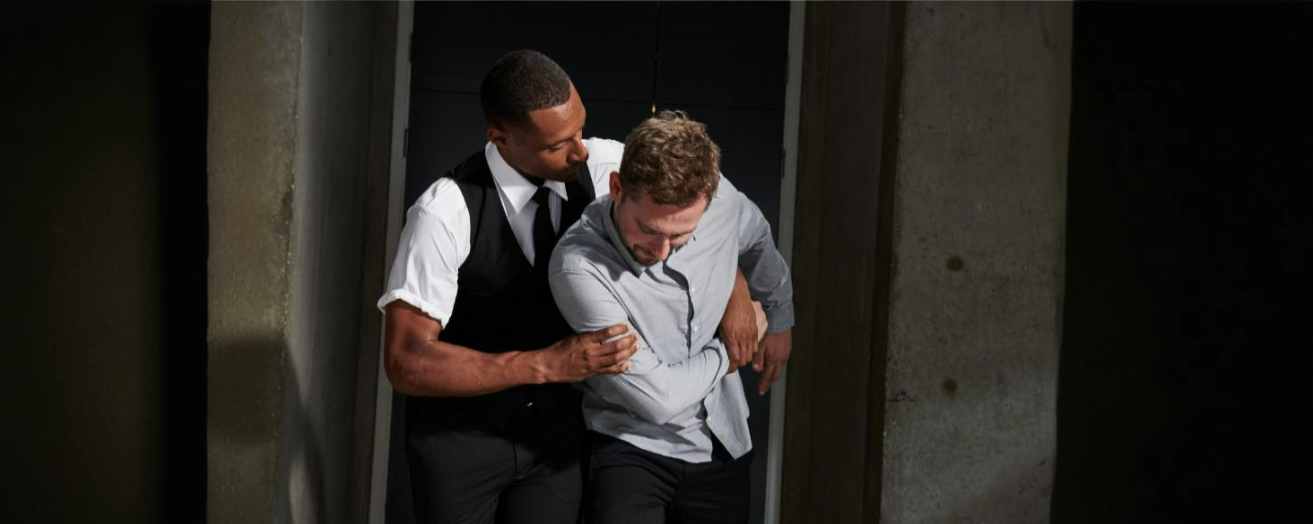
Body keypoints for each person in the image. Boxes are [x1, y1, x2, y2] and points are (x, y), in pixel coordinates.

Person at [377, 50, 761, 524]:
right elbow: (406, 361)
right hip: (460, 444)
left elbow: (707, 210)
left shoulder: (603, 164)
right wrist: (544, 364)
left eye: (580, 130)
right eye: (559, 143)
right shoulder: (444, 211)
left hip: (557, 444)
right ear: (500, 138)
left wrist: (735, 287)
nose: (579, 151)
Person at [549, 110, 795, 524]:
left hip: (722, 440)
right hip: (630, 450)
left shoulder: (722, 202)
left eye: (680, 236)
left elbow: (757, 240)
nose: (662, 252)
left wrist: (780, 317)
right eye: (648, 229)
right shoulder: (578, 267)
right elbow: (657, 400)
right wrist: (732, 350)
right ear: (616, 188)